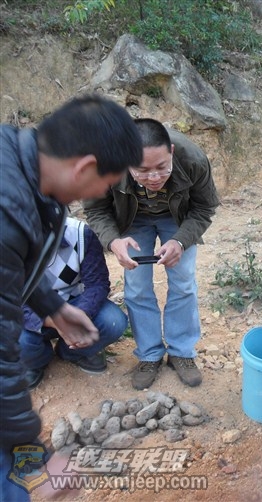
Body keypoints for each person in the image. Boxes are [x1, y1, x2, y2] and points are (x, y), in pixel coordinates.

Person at [0, 94, 143, 501]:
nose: (102, 192)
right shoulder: (7, 213)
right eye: (107, 183)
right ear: (85, 167)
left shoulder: (19, 165)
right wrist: (33, 460)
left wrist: (54, 307)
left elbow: (18, 265)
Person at [83, 118, 219, 390]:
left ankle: (181, 352)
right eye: (142, 171)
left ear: (171, 151)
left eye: (162, 167)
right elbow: (96, 209)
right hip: (132, 219)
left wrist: (181, 241)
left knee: (183, 282)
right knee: (136, 287)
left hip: (177, 217)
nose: (154, 178)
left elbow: (204, 208)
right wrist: (113, 242)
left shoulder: (193, 159)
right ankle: (149, 355)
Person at [21, 216, 129, 389]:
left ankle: (71, 352)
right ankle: (36, 360)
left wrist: (80, 316)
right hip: (35, 311)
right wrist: (57, 321)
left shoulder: (81, 234)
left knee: (112, 321)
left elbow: (97, 284)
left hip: (76, 302)